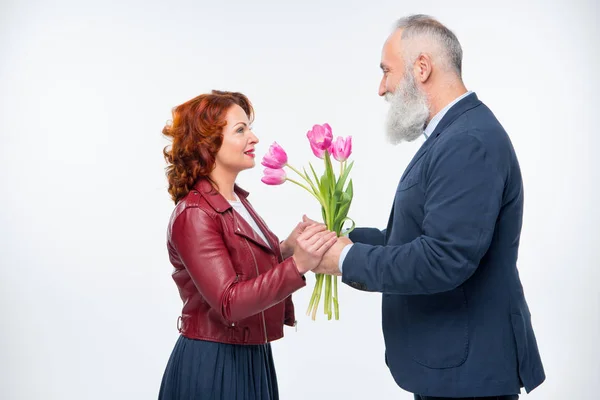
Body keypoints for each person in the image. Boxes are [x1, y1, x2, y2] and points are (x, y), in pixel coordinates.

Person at [312, 15, 546, 399]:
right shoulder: (455, 134)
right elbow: (416, 237)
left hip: (467, 376)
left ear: (422, 68)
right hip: (455, 372)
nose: (381, 87)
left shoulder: (468, 141)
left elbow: (442, 258)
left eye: (387, 71)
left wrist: (344, 259)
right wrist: (341, 240)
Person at [159, 90, 337, 400]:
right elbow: (229, 301)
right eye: (240, 130)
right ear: (207, 144)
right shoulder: (194, 214)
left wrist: (286, 250)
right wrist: (298, 266)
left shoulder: (237, 201)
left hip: (251, 356)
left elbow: (239, 268)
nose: (253, 138)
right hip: (214, 364)